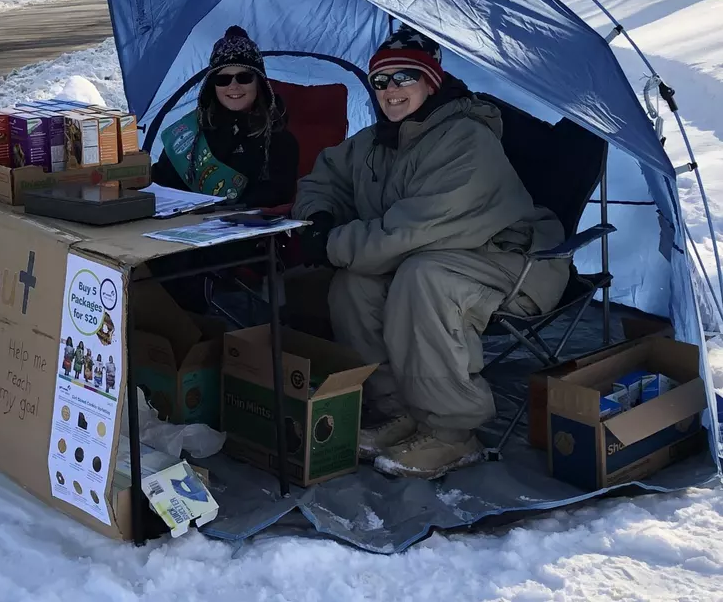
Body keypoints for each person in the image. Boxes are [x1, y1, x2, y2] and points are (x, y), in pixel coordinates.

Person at [293, 25, 570, 480]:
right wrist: (319, 217)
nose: (390, 91)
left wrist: (331, 243)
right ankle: (401, 410)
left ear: (431, 81)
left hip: (514, 262)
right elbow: (323, 177)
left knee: (423, 279)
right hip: (431, 254)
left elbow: (409, 234)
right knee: (354, 284)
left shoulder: (465, 139)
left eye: (404, 77)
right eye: (381, 81)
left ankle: (453, 433)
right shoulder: (379, 141)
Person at [152, 25, 300, 208]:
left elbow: (278, 193)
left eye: (244, 77)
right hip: (183, 226)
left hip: (245, 229)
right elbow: (162, 184)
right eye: (223, 79)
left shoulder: (279, 139)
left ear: (259, 82)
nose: (233, 86)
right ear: (212, 86)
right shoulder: (192, 132)